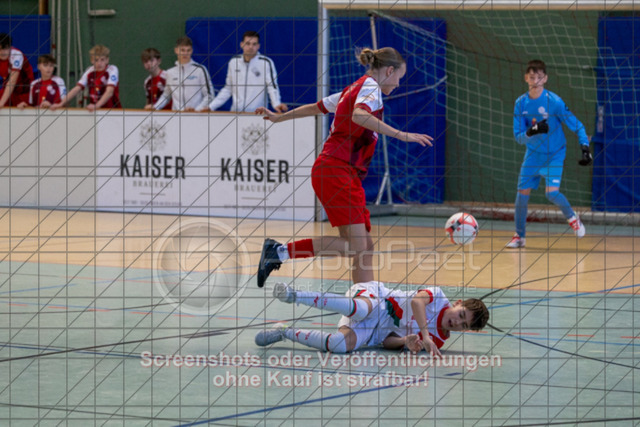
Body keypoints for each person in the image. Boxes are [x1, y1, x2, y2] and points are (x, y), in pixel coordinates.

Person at [255, 47, 433, 288]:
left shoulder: (354, 89)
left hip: (340, 172)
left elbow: (316, 107)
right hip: (336, 169)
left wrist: (279, 118)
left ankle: (366, 299)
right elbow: (359, 115)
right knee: (358, 247)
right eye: (399, 78)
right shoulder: (370, 88)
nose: (398, 84)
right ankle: (279, 252)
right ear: (389, 71)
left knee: (364, 247)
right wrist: (401, 135)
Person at [255, 281, 489, 355]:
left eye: (463, 325)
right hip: (376, 299)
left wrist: (405, 342)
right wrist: (425, 335)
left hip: (374, 331)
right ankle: (294, 295)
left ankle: (283, 331)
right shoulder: (438, 297)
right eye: (461, 315)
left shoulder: (438, 342)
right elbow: (417, 302)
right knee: (360, 309)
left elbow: (386, 342)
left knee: (339, 345)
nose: (457, 322)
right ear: (458, 303)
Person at [506, 59, 592, 248]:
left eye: (539, 77)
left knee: (551, 193)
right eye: (531, 77)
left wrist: (585, 147)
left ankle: (573, 218)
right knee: (521, 195)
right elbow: (518, 137)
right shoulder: (520, 104)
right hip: (533, 155)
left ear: (545, 78)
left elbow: (577, 125)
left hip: (555, 154)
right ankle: (519, 236)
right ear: (526, 78)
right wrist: (532, 131)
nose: (535, 81)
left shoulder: (554, 102)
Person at [208, 30, 287, 113]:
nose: (251, 47)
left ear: (258, 46)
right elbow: (228, 88)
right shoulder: (234, 62)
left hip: (257, 114)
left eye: (254, 44)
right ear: (242, 44)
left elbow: (272, 87)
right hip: (235, 113)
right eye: (248, 43)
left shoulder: (266, 63)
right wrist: (211, 107)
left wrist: (276, 104)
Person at [51, 44, 121, 111]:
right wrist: (61, 104)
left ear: (107, 60)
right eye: (96, 60)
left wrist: (97, 105)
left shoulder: (112, 69)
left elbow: (109, 92)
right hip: (95, 109)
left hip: (112, 109)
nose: (99, 63)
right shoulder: (90, 71)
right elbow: (77, 89)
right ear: (92, 60)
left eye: (102, 60)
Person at [153, 36, 213, 112]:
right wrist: (155, 107)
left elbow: (209, 96)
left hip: (196, 116)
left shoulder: (200, 70)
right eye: (182, 50)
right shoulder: (170, 72)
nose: (185, 53)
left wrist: (196, 110)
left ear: (192, 51)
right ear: (176, 50)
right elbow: (166, 96)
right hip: (176, 116)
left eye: (188, 50)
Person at [0, 33, 35, 108]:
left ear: (10, 47)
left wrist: (1, 103)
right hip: (9, 90)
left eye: (5, 48)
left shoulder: (16, 55)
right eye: (0, 49)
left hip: (25, 92)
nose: (3, 52)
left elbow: (12, 81)